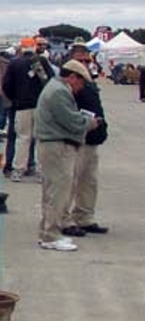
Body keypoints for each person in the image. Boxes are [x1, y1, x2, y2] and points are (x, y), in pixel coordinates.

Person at [32, 60, 100, 250]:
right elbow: (71, 120)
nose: (81, 87)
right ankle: (51, 235)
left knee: (51, 191)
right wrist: (90, 122)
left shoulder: (54, 88)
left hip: (52, 146)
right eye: (80, 82)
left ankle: (47, 232)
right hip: (58, 147)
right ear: (72, 77)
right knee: (58, 192)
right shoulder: (59, 92)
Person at [64, 55, 108, 237]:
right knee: (71, 182)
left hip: (93, 140)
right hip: (80, 140)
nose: (86, 64)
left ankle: (84, 216)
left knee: (89, 182)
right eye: (82, 61)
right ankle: (64, 218)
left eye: (87, 61)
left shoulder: (89, 85)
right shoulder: (71, 88)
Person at [2, 41, 53, 180]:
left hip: (21, 106)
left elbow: (6, 85)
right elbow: (52, 81)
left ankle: (18, 169)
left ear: (21, 48)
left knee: (23, 138)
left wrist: (15, 98)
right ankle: (40, 171)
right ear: (34, 47)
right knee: (41, 138)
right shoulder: (41, 61)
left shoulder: (14, 63)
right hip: (41, 105)